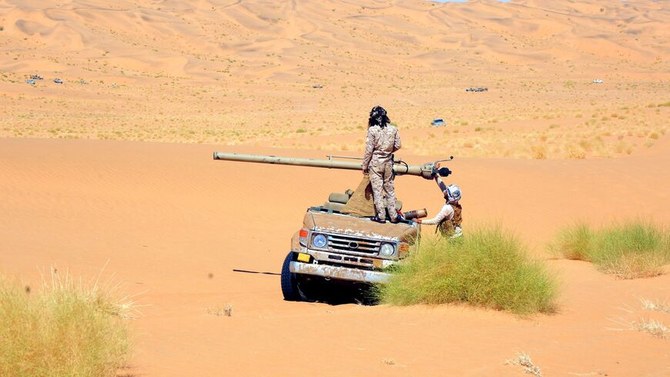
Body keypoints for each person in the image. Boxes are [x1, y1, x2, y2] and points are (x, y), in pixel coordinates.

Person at [362, 105, 402, 223]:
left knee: (377, 190)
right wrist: (388, 152)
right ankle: (393, 216)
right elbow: (398, 145)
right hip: (388, 163)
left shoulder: (372, 130)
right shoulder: (393, 129)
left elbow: (369, 150)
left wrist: (364, 165)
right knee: (389, 189)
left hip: (375, 164)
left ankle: (381, 216)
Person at [417, 172, 463, 238]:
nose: (445, 192)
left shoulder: (447, 208)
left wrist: (419, 221)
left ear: (450, 196)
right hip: (459, 235)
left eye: (447, 192)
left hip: (453, 240)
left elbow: (435, 221)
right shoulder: (456, 204)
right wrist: (436, 176)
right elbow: (442, 187)